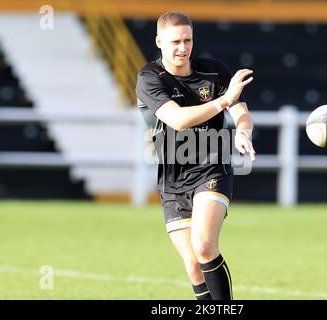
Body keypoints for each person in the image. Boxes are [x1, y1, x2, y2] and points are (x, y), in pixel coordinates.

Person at [136, 11, 256, 300]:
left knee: (204, 247)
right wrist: (224, 100)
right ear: (159, 41)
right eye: (175, 41)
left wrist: (243, 131)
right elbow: (177, 119)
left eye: (188, 40)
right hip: (173, 181)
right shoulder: (150, 77)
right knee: (193, 264)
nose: (183, 47)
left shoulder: (214, 71)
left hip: (211, 171)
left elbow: (241, 113)